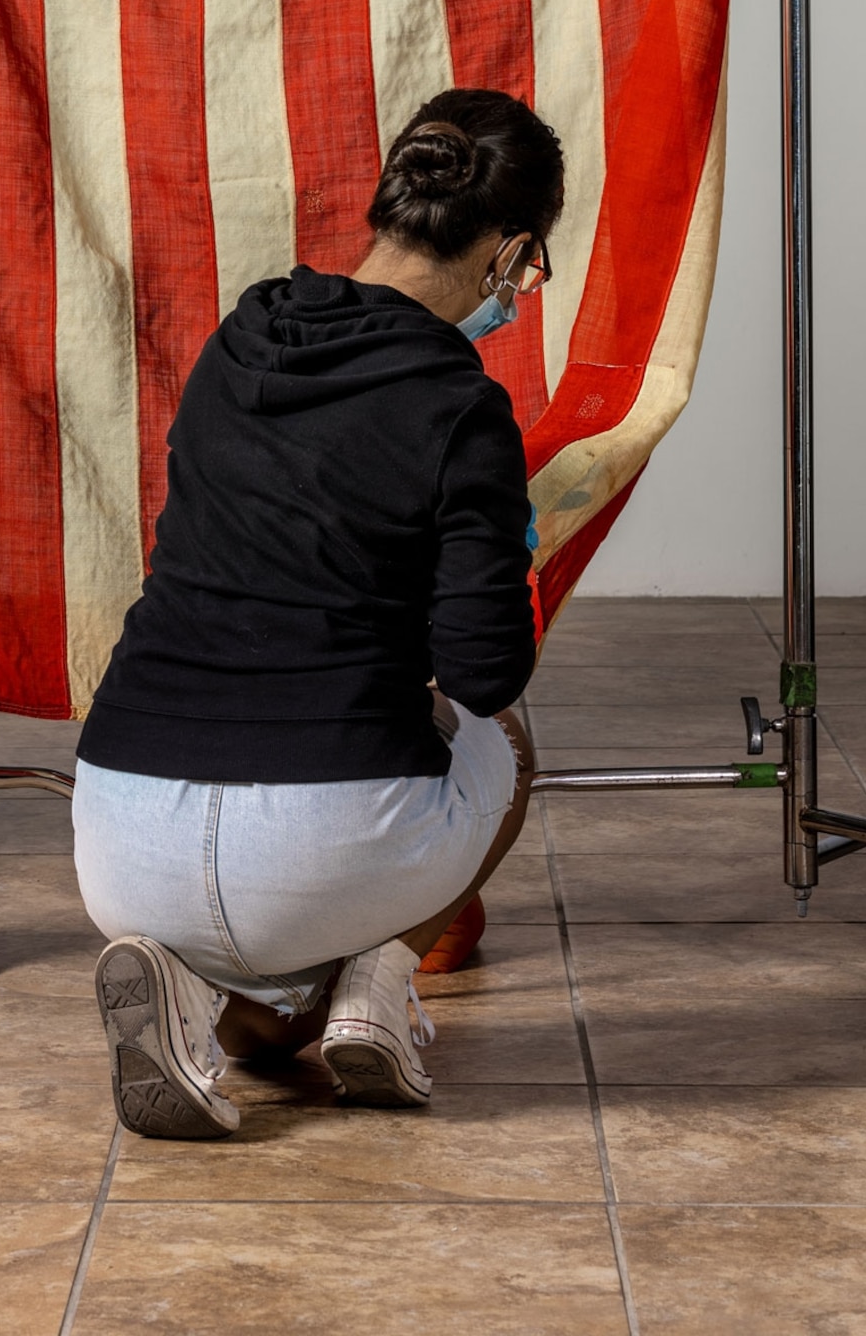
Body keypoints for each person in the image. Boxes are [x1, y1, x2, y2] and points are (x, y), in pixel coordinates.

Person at [72, 87, 560, 1137]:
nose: (521, 297)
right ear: (510, 253)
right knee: (508, 746)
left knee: (262, 1024)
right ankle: (377, 988)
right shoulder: (463, 405)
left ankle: (189, 992)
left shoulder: (240, 335)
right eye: (530, 273)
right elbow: (484, 676)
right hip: (323, 850)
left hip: (120, 835)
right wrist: (497, 547)